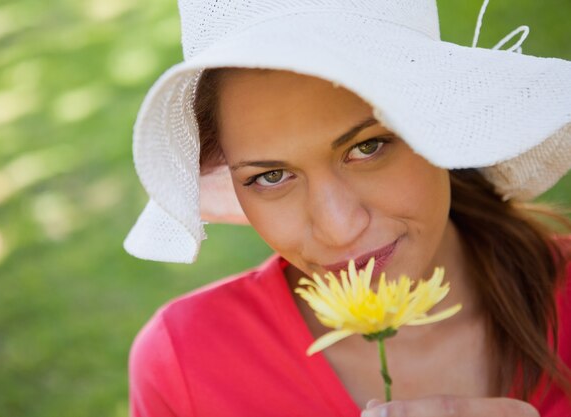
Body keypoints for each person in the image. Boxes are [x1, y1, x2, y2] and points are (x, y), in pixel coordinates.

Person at [124, 1, 571, 416]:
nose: (339, 230)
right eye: (270, 176)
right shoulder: (185, 363)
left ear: (437, 125)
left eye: (368, 147)